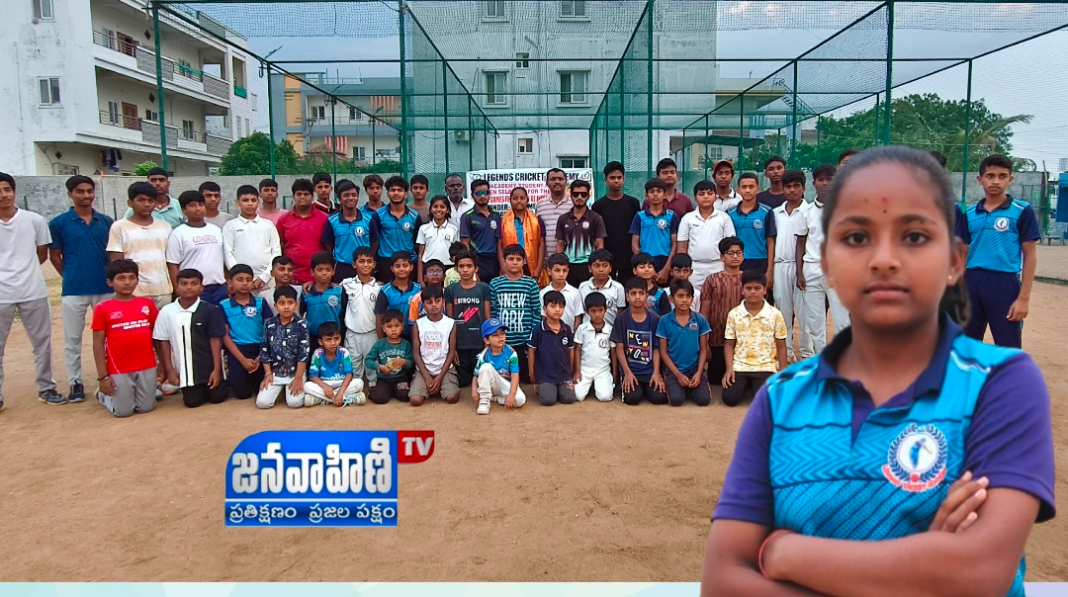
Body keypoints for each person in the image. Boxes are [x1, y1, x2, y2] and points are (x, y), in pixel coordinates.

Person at [702, 145, 1055, 597]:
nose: (884, 259)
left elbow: (981, 572)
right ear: (828, 263)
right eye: (857, 237)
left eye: (914, 236)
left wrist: (786, 554)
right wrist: (930, 560)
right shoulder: (781, 397)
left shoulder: (1000, 383)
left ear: (954, 262)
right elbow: (723, 582)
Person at [958, 154, 1039, 349]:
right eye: (990, 176)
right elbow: (961, 254)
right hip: (972, 281)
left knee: (1008, 346)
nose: (995, 181)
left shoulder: (1022, 211)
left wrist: (1023, 299)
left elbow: (1030, 255)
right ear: (980, 180)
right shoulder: (970, 214)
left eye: (1002, 176)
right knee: (966, 345)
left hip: (1004, 283)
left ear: (1010, 179)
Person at [49, 175, 114, 403]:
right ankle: (75, 382)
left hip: (104, 288)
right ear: (70, 194)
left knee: (109, 336)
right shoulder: (59, 223)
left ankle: (111, 375)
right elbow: (55, 256)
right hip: (73, 290)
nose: (86, 195)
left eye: (90, 191)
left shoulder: (106, 222)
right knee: (73, 338)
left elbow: (112, 253)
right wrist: (69, 275)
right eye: (80, 191)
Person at [0, 172, 61, 407]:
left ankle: (46, 388)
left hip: (33, 290)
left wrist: (24, 271)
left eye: (7, 189)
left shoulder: (34, 220)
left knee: (42, 343)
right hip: (2, 295)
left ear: (14, 191)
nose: (4, 195)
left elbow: (41, 254)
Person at [91, 259, 158, 417]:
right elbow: (98, 343)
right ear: (110, 282)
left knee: (146, 408)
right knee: (123, 412)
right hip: (119, 367)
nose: (127, 282)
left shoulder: (146, 303)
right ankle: (104, 396)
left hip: (147, 364)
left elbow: (157, 336)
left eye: (131, 278)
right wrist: (103, 377)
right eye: (121, 278)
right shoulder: (103, 308)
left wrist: (162, 365)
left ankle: (138, 393)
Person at [153, 269, 228, 408]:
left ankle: (223, 378)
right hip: (186, 372)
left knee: (218, 397)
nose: (189, 287)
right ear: (176, 287)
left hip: (209, 367)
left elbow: (215, 340)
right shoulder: (167, 311)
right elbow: (163, 341)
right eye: (184, 284)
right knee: (192, 402)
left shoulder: (210, 310)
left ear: (201, 288)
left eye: (194, 283)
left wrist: (217, 370)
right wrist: (170, 371)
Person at [796, 164, 850, 351]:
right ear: (814, 184)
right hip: (811, 269)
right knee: (814, 321)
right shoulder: (806, 212)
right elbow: (800, 243)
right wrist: (799, 273)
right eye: (821, 180)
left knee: (842, 320)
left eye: (830, 179)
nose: (825, 183)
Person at [721, 269, 787, 407]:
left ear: (765, 290)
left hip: (765, 366)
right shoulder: (734, 314)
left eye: (757, 288)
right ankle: (746, 385)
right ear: (742, 290)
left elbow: (781, 346)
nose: (753, 292)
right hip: (740, 365)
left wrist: (783, 373)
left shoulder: (775, 314)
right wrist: (729, 369)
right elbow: (729, 345)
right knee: (730, 399)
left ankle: (754, 386)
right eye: (748, 288)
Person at [108, 182, 173, 311]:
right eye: (141, 200)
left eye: (150, 200)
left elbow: (171, 260)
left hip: (163, 290)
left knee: (162, 324)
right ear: (130, 203)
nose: (147, 204)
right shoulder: (119, 227)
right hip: (136, 292)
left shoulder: (165, 226)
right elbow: (117, 262)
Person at [772, 169, 812, 362]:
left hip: (804, 267)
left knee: (805, 312)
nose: (792, 190)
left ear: (803, 188)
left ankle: (807, 351)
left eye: (796, 186)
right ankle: (786, 350)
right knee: (783, 311)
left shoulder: (809, 212)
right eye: (788, 186)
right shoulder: (776, 213)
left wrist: (801, 270)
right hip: (780, 265)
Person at [220, 264, 272, 401]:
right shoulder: (224, 306)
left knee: (262, 389)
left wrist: (261, 355)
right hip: (238, 350)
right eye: (240, 279)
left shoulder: (260, 302)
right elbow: (225, 335)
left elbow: (269, 329)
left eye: (248, 280)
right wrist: (243, 360)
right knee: (242, 394)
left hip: (260, 348)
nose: (245, 283)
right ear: (230, 283)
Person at [491, 244, 542, 384]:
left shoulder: (530, 284)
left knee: (526, 379)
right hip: (502, 341)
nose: (514, 262)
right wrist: (495, 336)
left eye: (518, 259)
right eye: (511, 259)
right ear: (504, 261)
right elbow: (493, 312)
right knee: (503, 379)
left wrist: (532, 337)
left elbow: (536, 311)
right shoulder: (495, 283)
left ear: (523, 261)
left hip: (524, 341)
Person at [612, 278, 666, 405]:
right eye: (633, 293)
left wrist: (656, 372)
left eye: (641, 293)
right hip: (631, 369)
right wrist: (627, 372)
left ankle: (646, 387)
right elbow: (619, 348)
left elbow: (656, 349)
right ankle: (637, 387)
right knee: (633, 399)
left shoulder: (654, 320)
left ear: (647, 296)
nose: (637, 297)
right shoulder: (621, 319)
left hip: (649, 370)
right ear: (627, 297)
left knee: (659, 398)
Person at [657, 280, 712, 407]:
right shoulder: (664, 321)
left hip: (694, 368)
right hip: (673, 369)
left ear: (693, 298)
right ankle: (675, 383)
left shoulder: (700, 319)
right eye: (680, 296)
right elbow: (663, 352)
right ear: (671, 298)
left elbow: (703, 349)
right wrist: (678, 375)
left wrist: (699, 373)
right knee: (676, 400)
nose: (685, 300)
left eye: (688, 296)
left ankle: (697, 382)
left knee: (704, 400)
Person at [166, 191, 227, 305]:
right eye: (192, 205)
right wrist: (178, 289)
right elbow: (172, 264)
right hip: (194, 289)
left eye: (201, 204)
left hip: (220, 288)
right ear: (184, 210)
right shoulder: (178, 234)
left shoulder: (216, 230)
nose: (198, 208)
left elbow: (223, 259)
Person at [700, 236, 745, 387]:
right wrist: (704, 342)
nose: (735, 256)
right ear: (722, 257)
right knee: (715, 380)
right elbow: (704, 312)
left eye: (738, 253)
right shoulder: (712, 280)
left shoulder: (748, 279)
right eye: (730, 253)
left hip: (743, 340)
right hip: (717, 339)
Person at [256, 285, 310, 409]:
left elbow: (304, 353)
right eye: (282, 303)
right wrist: (268, 374)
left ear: (296, 305)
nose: (286, 307)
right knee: (263, 403)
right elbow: (264, 350)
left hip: (295, 372)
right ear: (276, 306)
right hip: (276, 372)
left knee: (294, 403)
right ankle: (279, 388)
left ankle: (297, 384)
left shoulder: (302, 324)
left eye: (290, 303)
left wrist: (298, 378)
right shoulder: (269, 325)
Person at [678, 179, 736, 290]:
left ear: (715, 197)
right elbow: (682, 247)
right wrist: (683, 269)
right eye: (701, 194)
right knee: (693, 297)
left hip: (718, 265)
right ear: (695, 198)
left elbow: (730, 246)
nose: (706, 197)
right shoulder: (687, 218)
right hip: (694, 267)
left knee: (718, 296)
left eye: (709, 193)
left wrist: (728, 268)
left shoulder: (724, 218)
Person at [445, 250, 491, 388]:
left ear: (476, 268)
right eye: (461, 266)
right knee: (463, 381)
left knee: (480, 378)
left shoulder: (483, 288)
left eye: (469, 266)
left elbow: (487, 317)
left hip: (478, 341)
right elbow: (449, 321)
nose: (465, 270)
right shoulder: (451, 290)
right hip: (460, 342)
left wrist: (487, 341)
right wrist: (452, 348)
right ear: (456, 269)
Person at [225, 185, 281, 294]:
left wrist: (265, 277)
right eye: (245, 200)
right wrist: (242, 277)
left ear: (258, 202)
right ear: (237, 202)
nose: (250, 204)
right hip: (242, 282)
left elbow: (276, 251)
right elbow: (228, 253)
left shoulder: (268, 225)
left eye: (253, 200)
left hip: (268, 280)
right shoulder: (230, 226)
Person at [410, 286, 459, 406]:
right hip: (424, 369)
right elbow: (416, 354)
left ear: (443, 302)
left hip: (444, 369)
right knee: (415, 400)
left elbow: (451, 353)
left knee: (452, 397)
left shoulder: (450, 324)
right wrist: (427, 377)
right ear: (423, 305)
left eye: (437, 301)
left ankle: (439, 384)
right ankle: (427, 384)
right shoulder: (418, 325)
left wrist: (440, 377)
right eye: (429, 302)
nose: (434, 305)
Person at [592, 161, 642, 281]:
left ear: (624, 180)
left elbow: (637, 230)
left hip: (629, 257)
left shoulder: (633, 203)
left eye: (619, 178)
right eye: (612, 178)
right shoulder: (598, 206)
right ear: (605, 180)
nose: (616, 181)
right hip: (607, 258)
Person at [340, 246, 380, 390]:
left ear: (374, 264)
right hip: (352, 334)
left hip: (371, 333)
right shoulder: (346, 284)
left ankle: (373, 386)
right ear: (354, 264)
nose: (365, 265)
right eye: (361, 261)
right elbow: (342, 306)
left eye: (369, 261)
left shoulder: (378, 288)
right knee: (353, 365)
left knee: (372, 364)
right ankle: (355, 387)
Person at [323, 179, 379, 283]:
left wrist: (365, 260)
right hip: (342, 268)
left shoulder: (368, 219)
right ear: (339, 199)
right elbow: (329, 246)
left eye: (354, 195)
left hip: (364, 267)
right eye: (346, 195)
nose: (351, 198)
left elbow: (374, 242)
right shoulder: (332, 221)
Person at [728, 173, 776, 291]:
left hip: (760, 261)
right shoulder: (730, 213)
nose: (747, 190)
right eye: (744, 187)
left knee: (758, 296)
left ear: (758, 189)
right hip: (737, 261)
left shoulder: (766, 211)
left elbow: (770, 242)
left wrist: (770, 270)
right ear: (738, 190)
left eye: (751, 186)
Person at [528, 290, 576, 406]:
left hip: (563, 374)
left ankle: (557, 388)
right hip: (545, 375)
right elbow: (531, 351)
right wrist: (531, 373)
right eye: (553, 306)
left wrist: (571, 371)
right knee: (548, 400)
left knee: (569, 399)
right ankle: (543, 386)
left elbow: (571, 351)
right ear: (545, 309)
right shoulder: (538, 330)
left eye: (561, 306)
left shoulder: (567, 329)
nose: (557, 309)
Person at [277, 178, 328, 284]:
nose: (302, 197)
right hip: (291, 278)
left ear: (312, 197)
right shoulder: (283, 220)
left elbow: (329, 248)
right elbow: (280, 247)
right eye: (299, 194)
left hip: (317, 278)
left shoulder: (324, 219)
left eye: (306, 194)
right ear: (293, 197)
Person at [555, 179, 606, 287]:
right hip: (568, 265)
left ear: (588, 196)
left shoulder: (596, 218)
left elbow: (600, 244)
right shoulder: (563, 219)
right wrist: (559, 265)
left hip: (588, 265)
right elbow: (560, 243)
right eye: (576, 194)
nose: (579, 197)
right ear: (571, 195)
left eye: (583, 194)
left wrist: (596, 265)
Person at [631, 178, 680, 284]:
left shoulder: (672, 216)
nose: (655, 194)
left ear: (665, 195)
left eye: (659, 191)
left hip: (666, 260)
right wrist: (646, 267)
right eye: (652, 191)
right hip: (646, 261)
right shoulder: (639, 216)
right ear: (646, 196)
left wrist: (667, 268)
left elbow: (675, 244)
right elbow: (634, 244)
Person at [304, 321, 364, 407]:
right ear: (320, 342)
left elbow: (349, 374)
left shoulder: (344, 352)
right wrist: (325, 387)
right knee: (307, 386)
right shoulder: (318, 353)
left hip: (341, 383)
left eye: (336, 339)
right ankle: (347, 399)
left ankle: (322, 399)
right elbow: (313, 376)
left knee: (359, 383)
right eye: (328, 340)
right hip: (325, 383)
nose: (333, 343)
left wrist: (340, 392)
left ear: (340, 338)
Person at [473, 318, 526, 414]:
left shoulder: (511, 353)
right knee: (486, 367)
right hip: (490, 385)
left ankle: (495, 398)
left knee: (520, 400)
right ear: (487, 340)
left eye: (502, 333)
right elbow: (476, 375)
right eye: (495, 335)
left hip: (504, 383)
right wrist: (474, 390)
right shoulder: (484, 355)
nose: (500, 337)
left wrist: (512, 394)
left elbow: (515, 375)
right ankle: (484, 400)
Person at [497, 186, 547, 286]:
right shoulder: (503, 221)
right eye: (515, 198)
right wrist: (503, 267)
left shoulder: (536, 220)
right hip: (511, 264)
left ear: (527, 200)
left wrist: (538, 268)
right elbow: (499, 245)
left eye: (522, 198)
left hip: (531, 265)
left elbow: (541, 244)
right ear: (510, 200)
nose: (519, 201)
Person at [376, 176, 422, 283]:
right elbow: (375, 241)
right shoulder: (378, 215)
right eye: (393, 190)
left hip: (409, 262)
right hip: (386, 263)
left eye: (400, 190)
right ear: (387, 194)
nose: (396, 193)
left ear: (406, 194)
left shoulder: (414, 216)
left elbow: (417, 242)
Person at [301, 252, 346, 358]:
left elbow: (344, 314)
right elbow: (302, 312)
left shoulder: (339, 291)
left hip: (334, 338)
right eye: (320, 270)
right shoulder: (306, 293)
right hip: (313, 337)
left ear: (333, 272)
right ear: (312, 272)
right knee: (314, 364)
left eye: (328, 270)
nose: (324, 273)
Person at [572, 292, 615, 402]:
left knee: (605, 397)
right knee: (577, 396)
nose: (597, 314)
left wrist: (615, 373)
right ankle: (589, 385)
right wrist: (577, 371)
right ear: (587, 312)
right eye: (593, 311)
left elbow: (613, 352)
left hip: (602, 369)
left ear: (606, 310)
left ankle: (605, 382)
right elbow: (577, 350)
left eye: (600, 310)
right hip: (585, 369)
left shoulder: (610, 330)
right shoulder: (582, 329)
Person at [365, 310, 414, 404]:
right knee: (380, 398)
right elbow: (368, 360)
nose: (393, 329)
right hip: (383, 379)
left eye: (397, 326)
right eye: (389, 326)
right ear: (383, 328)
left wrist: (404, 362)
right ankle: (374, 389)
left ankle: (392, 391)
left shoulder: (406, 344)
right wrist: (379, 367)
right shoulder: (379, 344)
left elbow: (411, 362)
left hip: (400, 378)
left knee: (405, 396)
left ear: (402, 326)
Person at [459, 179, 502, 279]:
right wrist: (472, 265)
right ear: (472, 195)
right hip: (478, 259)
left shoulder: (496, 215)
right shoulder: (467, 216)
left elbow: (499, 242)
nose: (482, 196)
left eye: (485, 192)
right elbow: (465, 244)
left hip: (495, 260)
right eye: (478, 193)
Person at [375, 251, 421, 339]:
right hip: (391, 335)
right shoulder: (385, 291)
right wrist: (382, 342)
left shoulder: (418, 289)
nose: (401, 269)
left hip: (414, 334)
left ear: (411, 267)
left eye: (405, 265)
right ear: (392, 268)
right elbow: (379, 316)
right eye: (397, 266)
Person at [578, 249, 626, 327]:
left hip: (610, 330)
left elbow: (620, 312)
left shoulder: (618, 288)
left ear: (610, 268)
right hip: (587, 331)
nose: (601, 270)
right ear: (590, 268)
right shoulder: (583, 287)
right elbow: (580, 312)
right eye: (596, 266)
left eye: (605, 266)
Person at [416, 196, 458, 285]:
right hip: (429, 267)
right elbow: (420, 254)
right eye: (435, 206)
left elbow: (456, 254)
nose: (438, 209)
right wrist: (420, 278)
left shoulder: (453, 229)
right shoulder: (424, 228)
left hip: (448, 267)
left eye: (442, 207)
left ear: (448, 210)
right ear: (430, 209)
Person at [536, 168, 574, 255]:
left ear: (566, 182)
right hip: (546, 258)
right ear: (547, 183)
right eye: (553, 179)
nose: (557, 182)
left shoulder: (574, 203)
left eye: (560, 179)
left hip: (570, 259)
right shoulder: (540, 204)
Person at [541, 253, 583, 331]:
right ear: (549, 271)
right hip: (550, 335)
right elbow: (544, 316)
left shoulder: (574, 292)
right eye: (557, 270)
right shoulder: (543, 293)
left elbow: (577, 317)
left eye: (564, 271)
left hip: (569, 334)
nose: (561, 274)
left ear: (568, 271)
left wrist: (574, 335)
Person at [408, 258, 444, 323]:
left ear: (444, 277)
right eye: (430, 272)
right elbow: (413, 323)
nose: (435, 274)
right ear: (424, 278)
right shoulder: (416, 298)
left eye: (439, 271)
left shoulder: (448, 294)